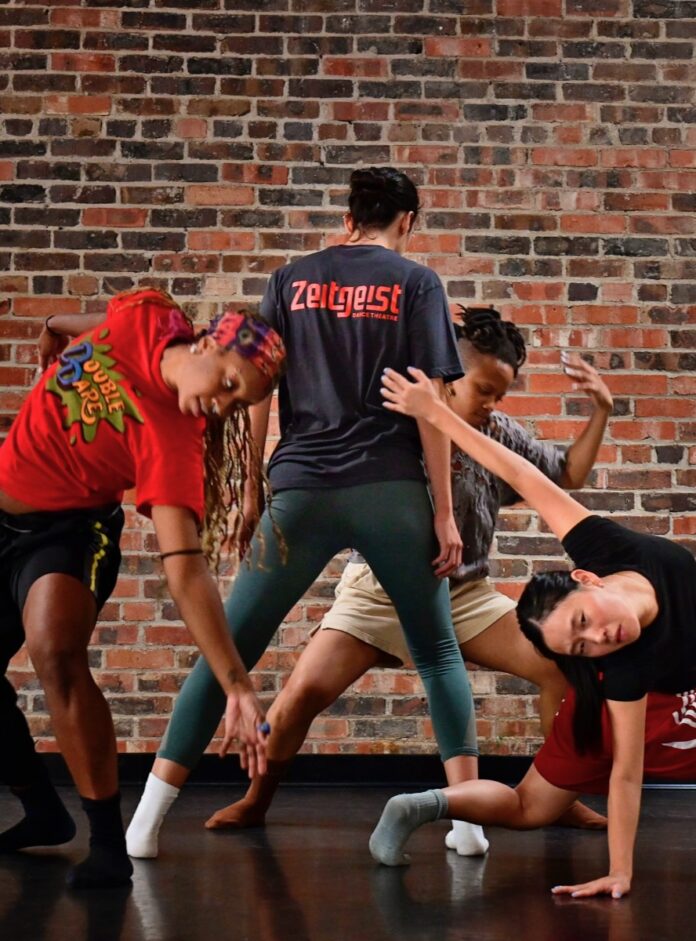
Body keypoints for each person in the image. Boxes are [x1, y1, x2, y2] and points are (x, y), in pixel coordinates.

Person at [126, 166, 477, 859]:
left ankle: (145, 822)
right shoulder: (417, 284)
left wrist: (256, 483)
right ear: (405, 220)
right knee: (437, 652)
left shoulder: (290, 279)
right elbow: (432, 405)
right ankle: (468, 823)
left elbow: (258, 386)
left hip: (301, 489)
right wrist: (444, 510)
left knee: (230, 645)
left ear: (351, 213)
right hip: (392, 491)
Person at [201, 307, 613, 853]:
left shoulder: (498, 433)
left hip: (461, 596)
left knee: (564, 671)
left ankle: (556, 794)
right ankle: (256, 800)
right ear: (448, 376)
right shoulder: (395, 425)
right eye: (484, 389)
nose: (491, 405)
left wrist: (601, 412)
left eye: (500, 396)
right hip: (376, 594)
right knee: (296, 698)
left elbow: (568, 474)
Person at [370, 363, 696, 898]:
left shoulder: (602, 545)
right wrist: (621, 871)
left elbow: (522, 473)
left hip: (666, 700)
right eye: (581, 648)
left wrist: (434, 412)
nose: (601, 641)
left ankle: (431, 804)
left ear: (586, 579)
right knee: (526, 809)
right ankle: (424, 805)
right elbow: (626, 775)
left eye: (585, 623)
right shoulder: (623, 667)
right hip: (614, 709)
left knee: (531, 808)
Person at [0, 287, 285, 888]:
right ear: (206, 343)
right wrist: (56, 323)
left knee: (54, 651)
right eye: (231, 386)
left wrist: (236, 684)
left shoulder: (172, 437)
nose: (224, 407)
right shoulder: (152, 315)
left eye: (241, 406)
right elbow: (108, 319)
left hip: (68, 533)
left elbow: (184, 568)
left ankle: (107, 843)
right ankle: (40, 809)